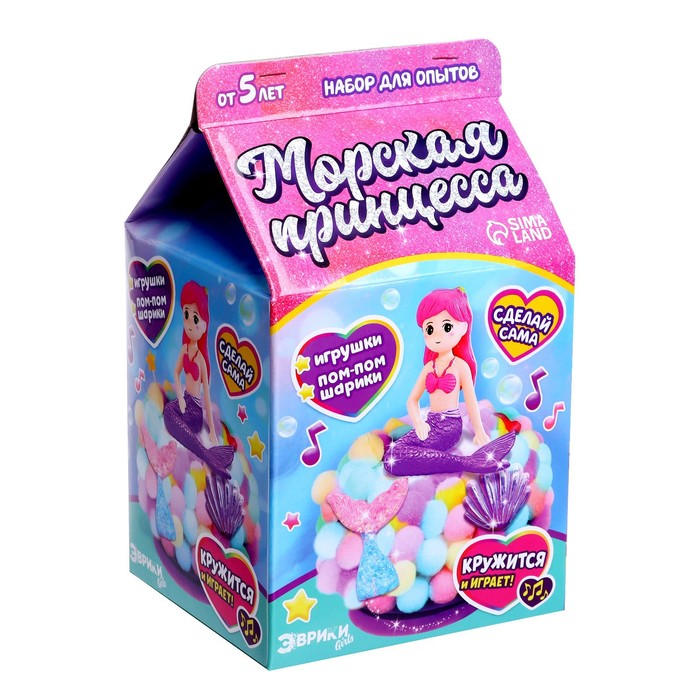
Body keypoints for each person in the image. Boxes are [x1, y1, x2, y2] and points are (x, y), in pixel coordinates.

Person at [383, 287, 514, 476]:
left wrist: (479, 431)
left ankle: (467, 463)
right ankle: (466, 462)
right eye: (430, 329)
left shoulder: (460, 366)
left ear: (463, 327)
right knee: (392, 456)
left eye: (446, 327)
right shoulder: (429, 367)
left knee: (400, 458)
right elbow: (412, 400)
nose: (437, 336)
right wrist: (419, 423)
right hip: (430, 423)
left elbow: (470, 401)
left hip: (449, 426)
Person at [164, 281, 234, 479]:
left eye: (195, 318)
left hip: (194, 412)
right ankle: (208, 455)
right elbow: (176, 373)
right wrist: (180, 397)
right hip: (185, 402)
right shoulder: (185, 349)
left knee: (171, 414)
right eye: (186, 315)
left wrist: (211, 430)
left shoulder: (201, 360)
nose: (189, 323)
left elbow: (207, 397)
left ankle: (207, 455)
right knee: (168, 410)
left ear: (204, 325)